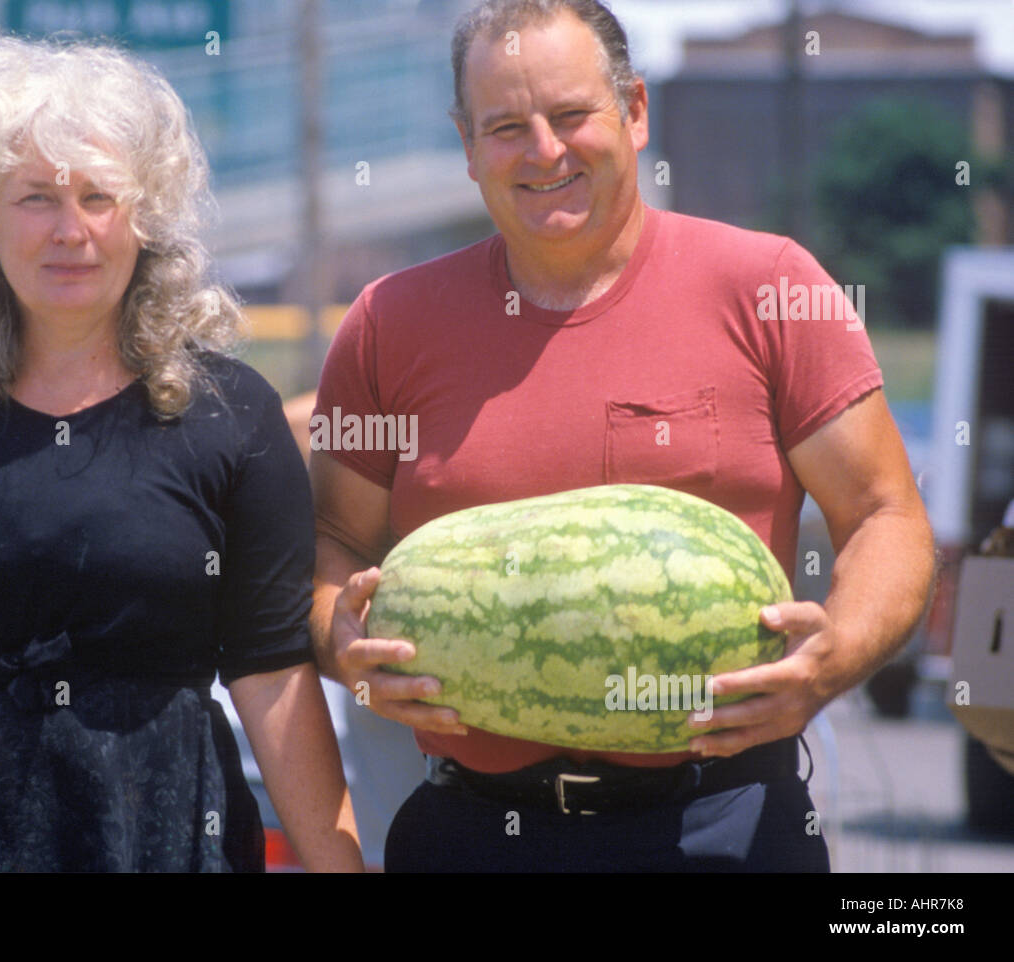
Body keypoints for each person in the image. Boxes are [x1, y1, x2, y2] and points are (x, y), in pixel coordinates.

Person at [309, 0, 935, 871]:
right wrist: (343, 649)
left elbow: (889, 517)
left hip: (720, 824)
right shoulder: (387, 323)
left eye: (572, 115)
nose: (544, 151)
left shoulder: (773, 288)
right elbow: (329, 545)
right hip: (474, 832)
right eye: (505, 127)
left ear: (635, 112)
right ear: (465, 146)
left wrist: (830, 661)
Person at [0, 34, 363, 873]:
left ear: (146, 216)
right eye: (35, 198)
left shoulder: (232, 416)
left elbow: (273, 679)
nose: (71, 230)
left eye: (99, 196)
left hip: (156, 838)